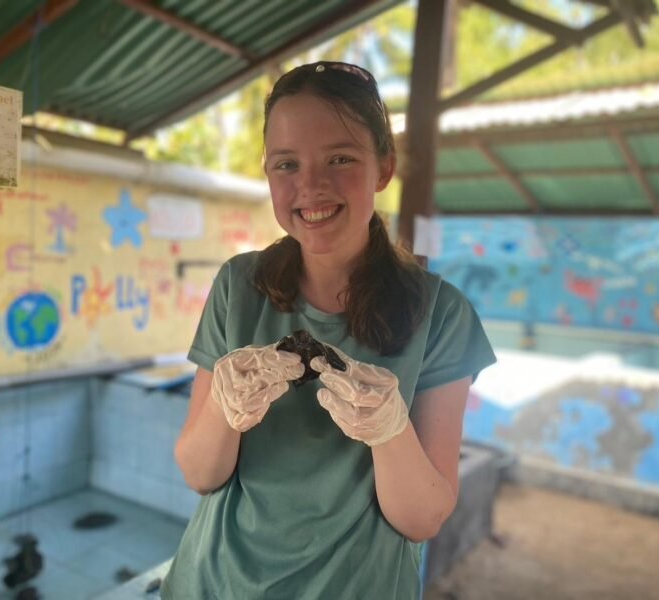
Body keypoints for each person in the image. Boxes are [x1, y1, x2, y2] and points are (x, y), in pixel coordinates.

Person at [160, 61, 496, 600]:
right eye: (286, 164)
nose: (311, 186)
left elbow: (423, 518)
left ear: (383, 169)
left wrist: (389, 431)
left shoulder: (441, 315)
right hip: (213, 584)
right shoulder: (237, 286)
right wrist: (226, 408)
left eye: (340, 158)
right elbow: (200, 474)